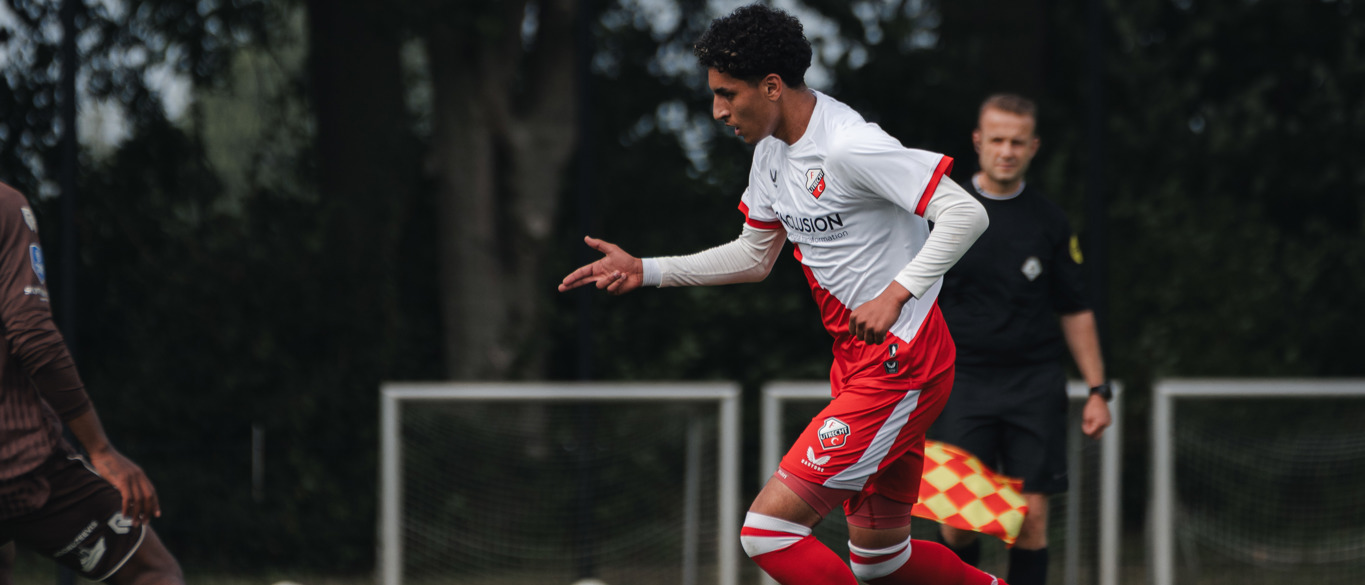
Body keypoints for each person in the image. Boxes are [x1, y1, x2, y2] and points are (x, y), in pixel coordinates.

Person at [560, 5, 1003, 584]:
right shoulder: (771, 153)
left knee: (768, 531)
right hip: (860, 363)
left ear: (772, 87)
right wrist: (648, 269)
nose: (718, 111)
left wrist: (897, 293)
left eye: (727, 94)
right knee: (882, 563)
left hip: (902, 362)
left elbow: (966, 214)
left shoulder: (848, 146)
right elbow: (754, 256)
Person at [931, 93, 1113, 585]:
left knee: (1030, 519)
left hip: (1034, 384)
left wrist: (1098, 389)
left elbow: (1074, 308)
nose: (1006, 151)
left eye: (1017, 142)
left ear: (1034, 147)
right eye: (997, 140)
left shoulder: (1050, 221)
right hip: (960, 382)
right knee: (960, 522)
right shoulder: (941, 210)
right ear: (977, 141)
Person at [0, 181, 185, 585]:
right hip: (15, 460)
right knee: (152, 572)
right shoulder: (4, 205)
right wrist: (100, 449)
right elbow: (32, 334)